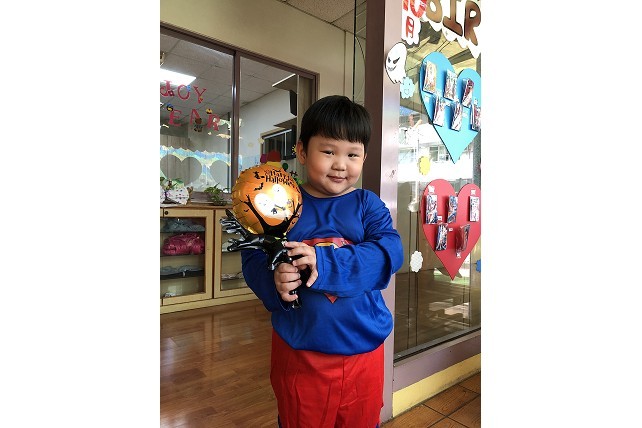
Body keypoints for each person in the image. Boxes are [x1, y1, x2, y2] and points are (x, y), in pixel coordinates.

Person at [241, 95, 404, 428]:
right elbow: (253, 254)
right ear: (302, 151)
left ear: (364, 157)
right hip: (300, 353)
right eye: (329, 151)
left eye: (352, 154)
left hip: (364, 351)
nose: (341, 164)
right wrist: (273, 278)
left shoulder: (367, 205)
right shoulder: (280, 202)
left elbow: (390, 251)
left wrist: (326, 263)